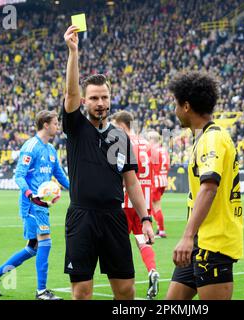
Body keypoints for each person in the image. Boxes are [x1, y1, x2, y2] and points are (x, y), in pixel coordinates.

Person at [63, 25, 155, 300]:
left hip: (115, 217)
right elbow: (69, 95)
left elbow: (132, 181)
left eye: (104, 97)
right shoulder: (76, 126)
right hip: (82, 217)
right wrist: (73, 52)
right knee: (82, 292)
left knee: (126, 289)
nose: (100, 102)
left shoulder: (120, 137)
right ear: (85, 101)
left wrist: (146, 218)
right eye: (93, 98)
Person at [165, 71, 244, 300]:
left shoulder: (213, 138)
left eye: (176, 104)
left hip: (213, 243)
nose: (175, 110)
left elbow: (209, 187)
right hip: (200, 241)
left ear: (186, 106)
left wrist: (187, 236)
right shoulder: (203, 138)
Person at [0, 110, 70, 300]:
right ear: (46, 125)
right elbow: (19, 176)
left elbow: (60, 175)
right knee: (45, 242)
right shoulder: (31, 147)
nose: (58, 126)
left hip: (42, 204)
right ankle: (41, 291)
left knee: (33, 247)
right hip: (32, 204)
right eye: (56, 123)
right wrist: (31, 194)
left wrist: (76, 190)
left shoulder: (51, 150)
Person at [112, 111, 160, 300]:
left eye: (115, 125)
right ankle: (152, 270)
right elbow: (152, 172)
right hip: (143, 202)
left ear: (123, 126)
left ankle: (124, 285)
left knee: (118, 244)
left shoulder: (122, 142)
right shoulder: (147, 145)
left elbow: (122, 174)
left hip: (126, 198)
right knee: (141, 239)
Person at [147, 131, 170, 238]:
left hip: (156, 180)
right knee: (155, 205)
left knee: (154, 206)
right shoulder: (164, 150)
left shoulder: (154, 150)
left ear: (152, 139)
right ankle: (159, 229)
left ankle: (161, 230)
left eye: (149, 139)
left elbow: (152, 166)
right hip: (163, 179)